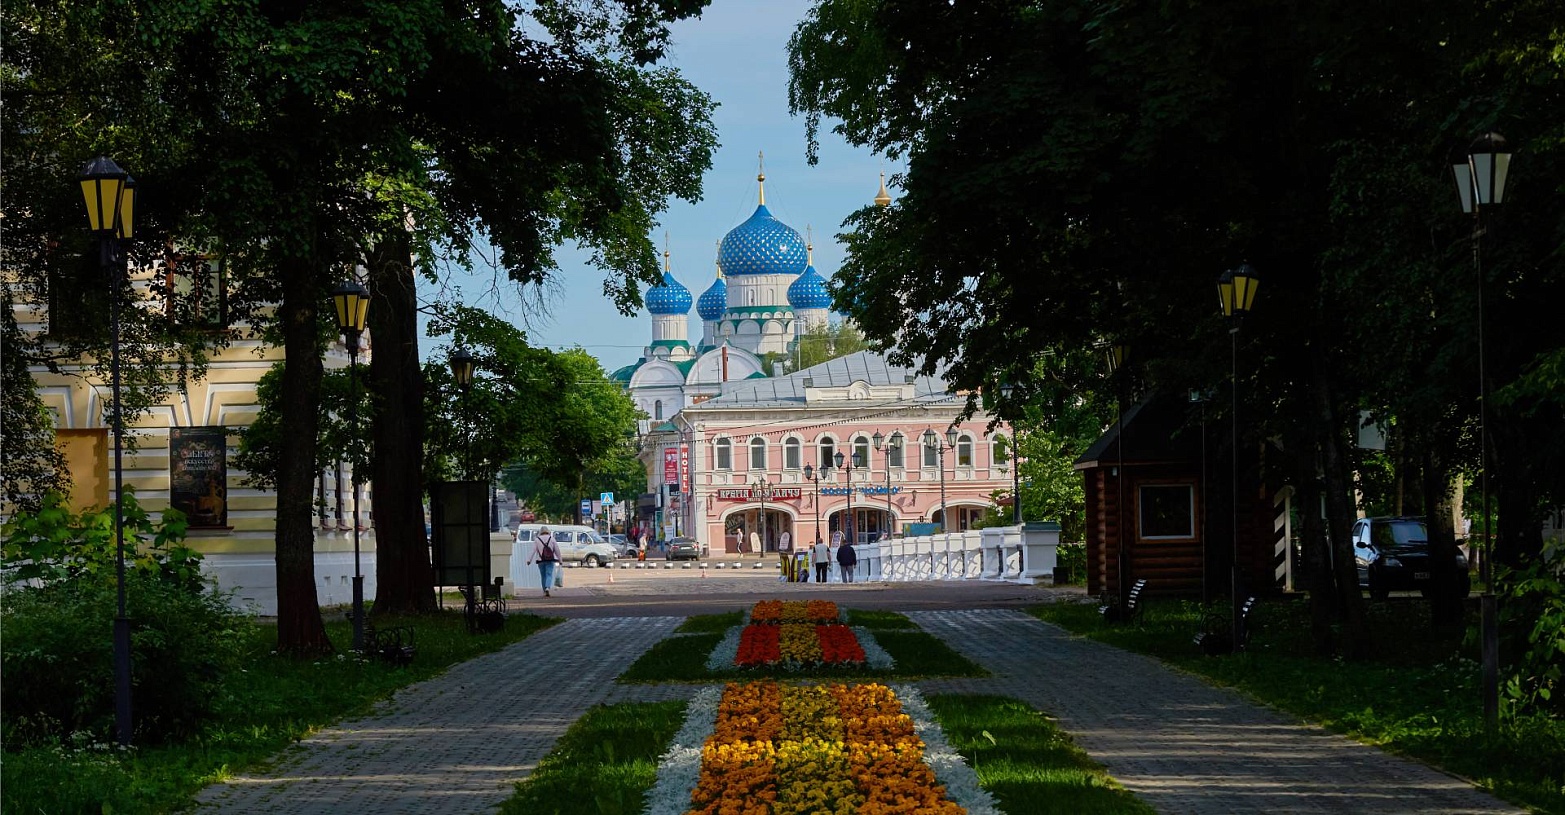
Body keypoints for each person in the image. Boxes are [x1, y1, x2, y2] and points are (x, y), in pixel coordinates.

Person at [525, 526, 560, 597]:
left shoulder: (537, 540)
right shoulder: (552, 539)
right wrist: (560, 560)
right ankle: (547, 587)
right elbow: (557, 550)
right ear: (548, 531)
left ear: (540, 532)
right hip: (550, 560)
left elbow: (533, 551)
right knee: (549, 574)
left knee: (543, 575)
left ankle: (544, 590)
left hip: (540, 560)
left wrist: (529, 560)